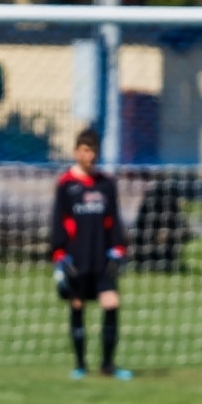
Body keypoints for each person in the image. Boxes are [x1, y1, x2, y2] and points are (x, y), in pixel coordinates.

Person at [50, 127, 131, 381]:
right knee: (77, 306)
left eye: (93, 150)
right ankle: (81, 365)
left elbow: (113, 220)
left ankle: (107, 365)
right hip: (77, 258)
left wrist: (118, 249)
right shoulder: (66, 185)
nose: (90, 155)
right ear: (76, 152)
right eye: (85, 150)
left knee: (111, 304)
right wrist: (59, 254)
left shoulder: (106, 184)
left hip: (102, 259)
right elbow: (58, 221)